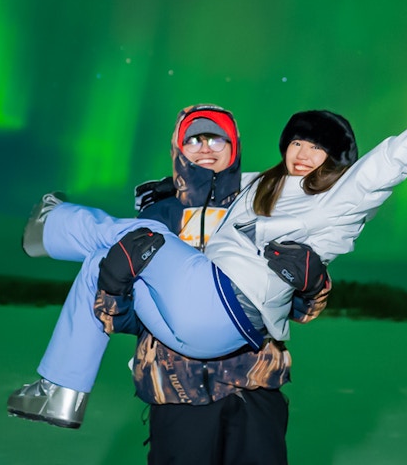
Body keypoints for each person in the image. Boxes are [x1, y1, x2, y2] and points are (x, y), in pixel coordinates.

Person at [7, 100, 407, 430]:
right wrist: (176, 185)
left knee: (136, 236)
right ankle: (60, 390)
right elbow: (224, 178)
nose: (304, 154)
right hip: (190, 335)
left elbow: (393, 158)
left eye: (319, 148)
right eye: (298, 143)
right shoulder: (266, 186)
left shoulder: (342, 200)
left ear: (339, 161)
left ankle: (51, 225)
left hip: (228, 311)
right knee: (107, 256)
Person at [102, 104, 331, 463]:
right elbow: (122, 318)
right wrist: (114, 283)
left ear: (234, 145)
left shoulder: (266, 207)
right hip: (177, 395)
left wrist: (311, 281)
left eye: (217, 138)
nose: (206, 147)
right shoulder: (156, 216)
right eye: (195, 139)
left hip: (254, 390)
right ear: (178, 148)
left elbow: (300, 310)